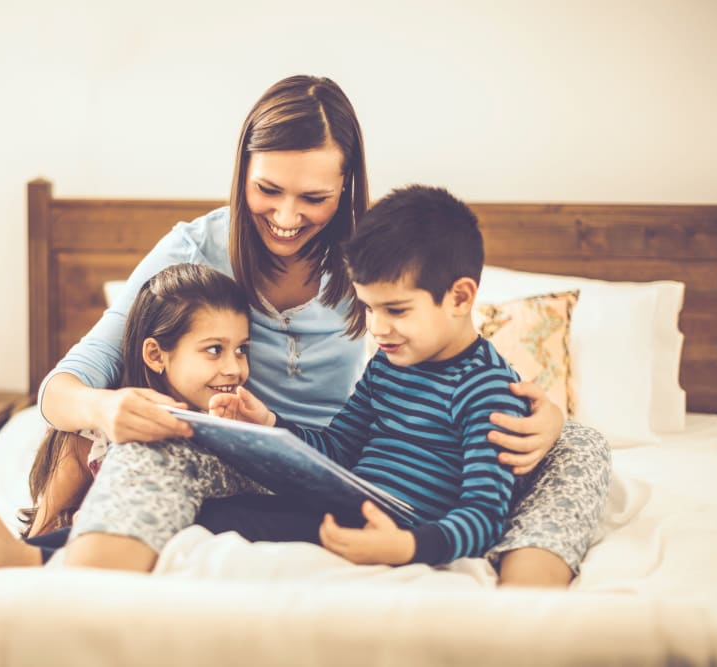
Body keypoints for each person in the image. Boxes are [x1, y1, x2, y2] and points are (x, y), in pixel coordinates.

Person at [0, 74, 609, 585]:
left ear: (347, 189)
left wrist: (542, 413)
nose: (286, 217)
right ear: (242, 172)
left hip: (355, 474)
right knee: (167, 443)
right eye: (268, 190)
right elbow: (64, 387)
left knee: (581, 444)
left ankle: (525, 610)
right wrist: (106, 407)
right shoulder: (194, 248)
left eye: (313, 198)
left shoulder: (379, 260)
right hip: (255, 450)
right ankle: (47, 570)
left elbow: (456, 367)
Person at [201, 184, 534, 566]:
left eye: (396, 310)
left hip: (402, 533)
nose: (377, 328)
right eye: (369, 309)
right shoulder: (386, 366)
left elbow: (485, 516)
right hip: (345, 509)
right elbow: (338, 449)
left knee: (225, 522)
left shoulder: (487, 389)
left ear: (459, 298)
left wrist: (406, 546)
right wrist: (269, 423)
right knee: (217, 511)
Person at [0, 263, 267, 581]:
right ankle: (1, 562)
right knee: (72, 524)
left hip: (189, 526)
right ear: (155, 355)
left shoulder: (238, 419)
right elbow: (51, 517)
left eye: (241, 350)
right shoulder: (93, 436)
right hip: (111, 531)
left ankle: (2, 566)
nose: (235, 368)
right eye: (213, 350)